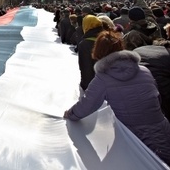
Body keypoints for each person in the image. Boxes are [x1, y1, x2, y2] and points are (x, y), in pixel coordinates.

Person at [64, 30, 170, 166]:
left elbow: (87, 105)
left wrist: (70, 114)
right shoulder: (144, 70)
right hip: (162, 128)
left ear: (98, 51)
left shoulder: (103, 78)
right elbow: (156, 98)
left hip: (134, 136)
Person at [77, 15, 103, 91]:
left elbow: (85, 67)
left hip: (94, 88)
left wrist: (85, 86)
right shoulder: (107, 38)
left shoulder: (85, 44)